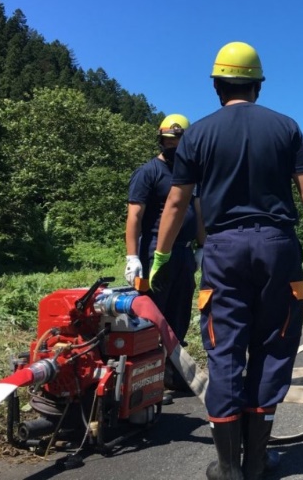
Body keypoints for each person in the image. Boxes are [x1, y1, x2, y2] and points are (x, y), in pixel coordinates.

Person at [149, 42, 303, 480]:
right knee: (273, 350)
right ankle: (256, 462)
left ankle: (226, 468)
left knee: (224, 353)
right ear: (257, 85)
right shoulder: (286, 127)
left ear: (218, 86)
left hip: (222, 251)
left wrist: (160, 255)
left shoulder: (197, 134)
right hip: (278, 247)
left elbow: (178, 200)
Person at [124, 114, 206, 398]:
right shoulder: (149, 172)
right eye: (169, 140)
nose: (173, 145)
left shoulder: (191, 175)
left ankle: (172, 375)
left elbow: (198, 213)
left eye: (179, 140)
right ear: (161, 140)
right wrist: (132, 256)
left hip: (184, 256)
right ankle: (150, 380)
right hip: (154, 254)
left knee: (179, 314)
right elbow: (135, 216)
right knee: (153, 316)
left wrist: (201, 247)